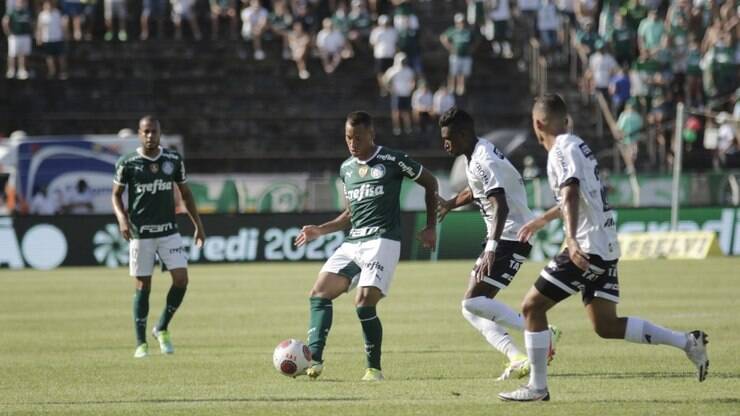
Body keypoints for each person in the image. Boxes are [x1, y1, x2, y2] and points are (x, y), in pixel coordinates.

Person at [498, 94, 709, 402]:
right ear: (566, 119)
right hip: (604, 245)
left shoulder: (560, 150)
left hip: (586, 247)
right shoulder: (578, 146)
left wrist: (570, 240)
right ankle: (689, 343)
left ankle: (537, 387)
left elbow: (570, 193)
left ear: (538, 124)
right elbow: (579, 195)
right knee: (606, 325)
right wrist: (543, 220)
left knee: (532, 307)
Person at [294, 111, 438, 381]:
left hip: (383, 240)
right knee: (318, 293)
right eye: (348, 138)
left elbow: (430, 182)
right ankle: (315, 360)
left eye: (358, 138)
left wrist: (431, 226)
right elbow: (349, 215)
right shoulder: (346, 168)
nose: (352, 143)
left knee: (363, 303)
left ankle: (373, 368)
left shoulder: (392, 159)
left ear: (372, 135)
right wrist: (320, 230)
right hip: (354, 242)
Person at [437, 107, 561, 381]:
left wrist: (491, 248)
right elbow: (476, 190)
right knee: (471, 307)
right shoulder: (475, 155)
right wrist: (450, 203)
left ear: (464, 133)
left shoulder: (483, 159)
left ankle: (541, 332)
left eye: (449, 138)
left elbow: (500, 204)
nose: (445, 143)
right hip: (504, 237)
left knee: (472, 303)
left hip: (511, 237)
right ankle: (517, 357)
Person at [112, 116, 206, 358]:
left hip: (169, 231)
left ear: (160, 133)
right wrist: (122, 219)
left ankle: (161, 327)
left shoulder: (173, 160)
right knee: (143, 285)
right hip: (140, 233)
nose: (150, 136)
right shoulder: (128, 163)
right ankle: (140, 342)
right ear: (139, 133)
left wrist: (198, 224)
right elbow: (116, 195)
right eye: (146, 132)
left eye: (154, 131)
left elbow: (185, 193)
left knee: (182, 280)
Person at [440, 13, 477, 96]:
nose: (461, 23)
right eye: (460, 22)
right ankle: (451, 87)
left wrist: (472, 48)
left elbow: (475, 40)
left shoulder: (468, 31)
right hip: (456, 55)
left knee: (463, 73)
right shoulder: (453, 30)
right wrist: (449, 47)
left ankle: (461, 87)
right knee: (453, 72)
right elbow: (443, 37)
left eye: (463, 21)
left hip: (466, 55)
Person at [383, 52, 415, 135]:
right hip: (397, 94)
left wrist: (411, 88)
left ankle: (407, 128)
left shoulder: (409, 71)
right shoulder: (392, 71)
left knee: (406, 112)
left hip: (406, 94)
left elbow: (413, 81)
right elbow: (385, 80)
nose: (403, 62)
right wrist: (390, 89)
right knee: (396, 112)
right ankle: (397, 128)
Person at [36, 0, 67, 80]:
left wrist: (65, 34)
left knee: (61, 56)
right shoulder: (42, 15)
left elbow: (62, 26)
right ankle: (52, 72)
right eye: (46, 5)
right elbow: (39, 28)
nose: (48, 6)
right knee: (49, 57)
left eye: (49, 5)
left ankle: (62, 72)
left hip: (58, 39)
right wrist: (39, 38)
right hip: (47, 40)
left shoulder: (58, 13)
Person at [2, 0, 33, 80]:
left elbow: (31, 23)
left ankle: (21, 70)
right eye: (19, 2)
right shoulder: (12, 12)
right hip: (15, 36)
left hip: (25, 35)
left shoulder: (27, 12)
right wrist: (8, 33)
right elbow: (5, 22)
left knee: (23, 54)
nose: (21, 4)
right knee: (12, 54)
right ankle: (11, 70)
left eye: (23, 2)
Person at [369, 14, 397, 96]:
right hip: (380, 55)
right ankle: (383, 88)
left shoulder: (393, 31)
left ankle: (389, 88)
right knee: (380, 73)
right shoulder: (376, 32)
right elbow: (372, 43)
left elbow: (396, 43)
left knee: (390, 72)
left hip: (391, 54)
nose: (385, 24)